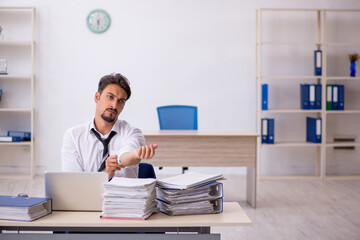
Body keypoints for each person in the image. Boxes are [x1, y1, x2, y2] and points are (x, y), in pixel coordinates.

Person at [61, 73, 158, 179]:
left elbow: (127, 155)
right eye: (110, 97)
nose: (114, 105)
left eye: (121, 101)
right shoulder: (73, 136)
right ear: (97, 97)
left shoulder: (132, 133)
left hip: (124, 195)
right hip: (87, 195)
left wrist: (135, 155)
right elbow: (73, 181)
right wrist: (106, 174)